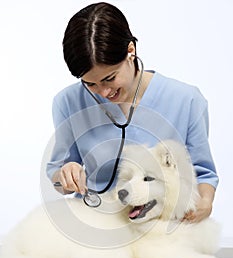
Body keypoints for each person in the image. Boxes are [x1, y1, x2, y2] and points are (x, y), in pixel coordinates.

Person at [46, 1, 218, 223]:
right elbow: (58, 179)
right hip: (98, 223)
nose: (104, 92)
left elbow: (202, 173)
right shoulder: (67, 102)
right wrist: (65, 176)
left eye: (110, 78)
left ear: (131, 50)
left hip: (161, 227)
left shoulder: (187, 100)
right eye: (90, 84)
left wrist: (204, 202)